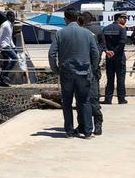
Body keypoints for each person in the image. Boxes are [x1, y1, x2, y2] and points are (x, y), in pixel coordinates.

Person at [48, 9, 100, 138]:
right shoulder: (88, 34)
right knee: (85, 101)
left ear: (65, 18)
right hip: (84, 73)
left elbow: (51, 54)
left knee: (67, 103)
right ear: (77, 18)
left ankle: (69, 132)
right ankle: (88, 132)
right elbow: (95, 53)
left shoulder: (59, 34)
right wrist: (92, 68)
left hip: (66, 73)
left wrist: (55, 69)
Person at [77, 12, 104, 136]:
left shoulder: (81, 32)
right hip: (92, 69)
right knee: (92, 99)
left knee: (82, 100)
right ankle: (93, 125)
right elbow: (102, 47)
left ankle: (85, 124)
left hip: (85, 69)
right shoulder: (98, 30)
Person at [103, 12, 128, 104]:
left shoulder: (105, 28)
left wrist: (107, 51)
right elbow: (122, 42)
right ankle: (121, 99)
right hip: (119, 57)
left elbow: (103, 42)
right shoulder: (122, 29)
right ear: (118, 19)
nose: (125, 20)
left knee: (110, 79)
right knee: (120, 78)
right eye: (124, 18)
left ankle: (108, 99)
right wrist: (115, 52)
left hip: (109, 57)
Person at [0, 10, 17, 86]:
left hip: (8, 45)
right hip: (4, 46)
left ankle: (1, 80)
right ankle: (4, 74)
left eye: (14, 16)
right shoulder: (5, 25)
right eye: (13, 16)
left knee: (6, 62)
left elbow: (9, 37)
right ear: (9, 17)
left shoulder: (11, 25)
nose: (14, 18)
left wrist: (14, 47)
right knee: (15, 58)